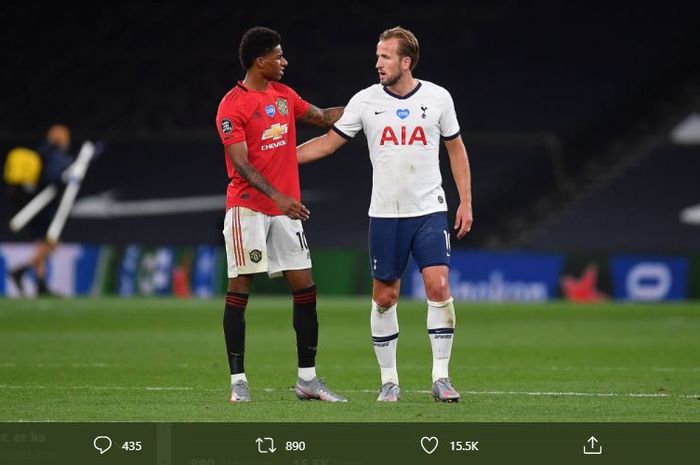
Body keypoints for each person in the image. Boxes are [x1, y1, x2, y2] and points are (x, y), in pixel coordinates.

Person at [297, 26, 473, 403]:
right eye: (377, 56)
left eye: (385, 56)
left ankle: (441, 377)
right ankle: (389, 380)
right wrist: (279, 159)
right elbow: (328, 144)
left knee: (439, 287)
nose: (377, 63)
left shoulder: (439, 98)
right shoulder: (364, 101)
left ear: (405, 62)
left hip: (430, 211)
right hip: (386, 215)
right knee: (385, 298)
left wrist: (466, 200)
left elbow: (456, 149)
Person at [215, 26, 346, 403]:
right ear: (261, 61)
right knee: (241, 288)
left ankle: (308, 379)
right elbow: (241, 165)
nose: (285, 61)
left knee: (305, 288)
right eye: (278, 55)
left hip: (285, 210)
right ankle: (238, 380)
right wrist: (279, 197)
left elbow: (322, 117)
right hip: (248, 209)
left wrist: (368, 106)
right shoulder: (231, 106)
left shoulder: (284, 96)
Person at [6, 124, 73, 297]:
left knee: (42, 243)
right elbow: (53, 178)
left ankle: (40, 284)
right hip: (43, 205)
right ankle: (21, 270)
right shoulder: (56, 155)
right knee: (51, 243)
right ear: (60, 138)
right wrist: (66, 180)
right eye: (66, 137)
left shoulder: (43, 152)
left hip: (32, 203)